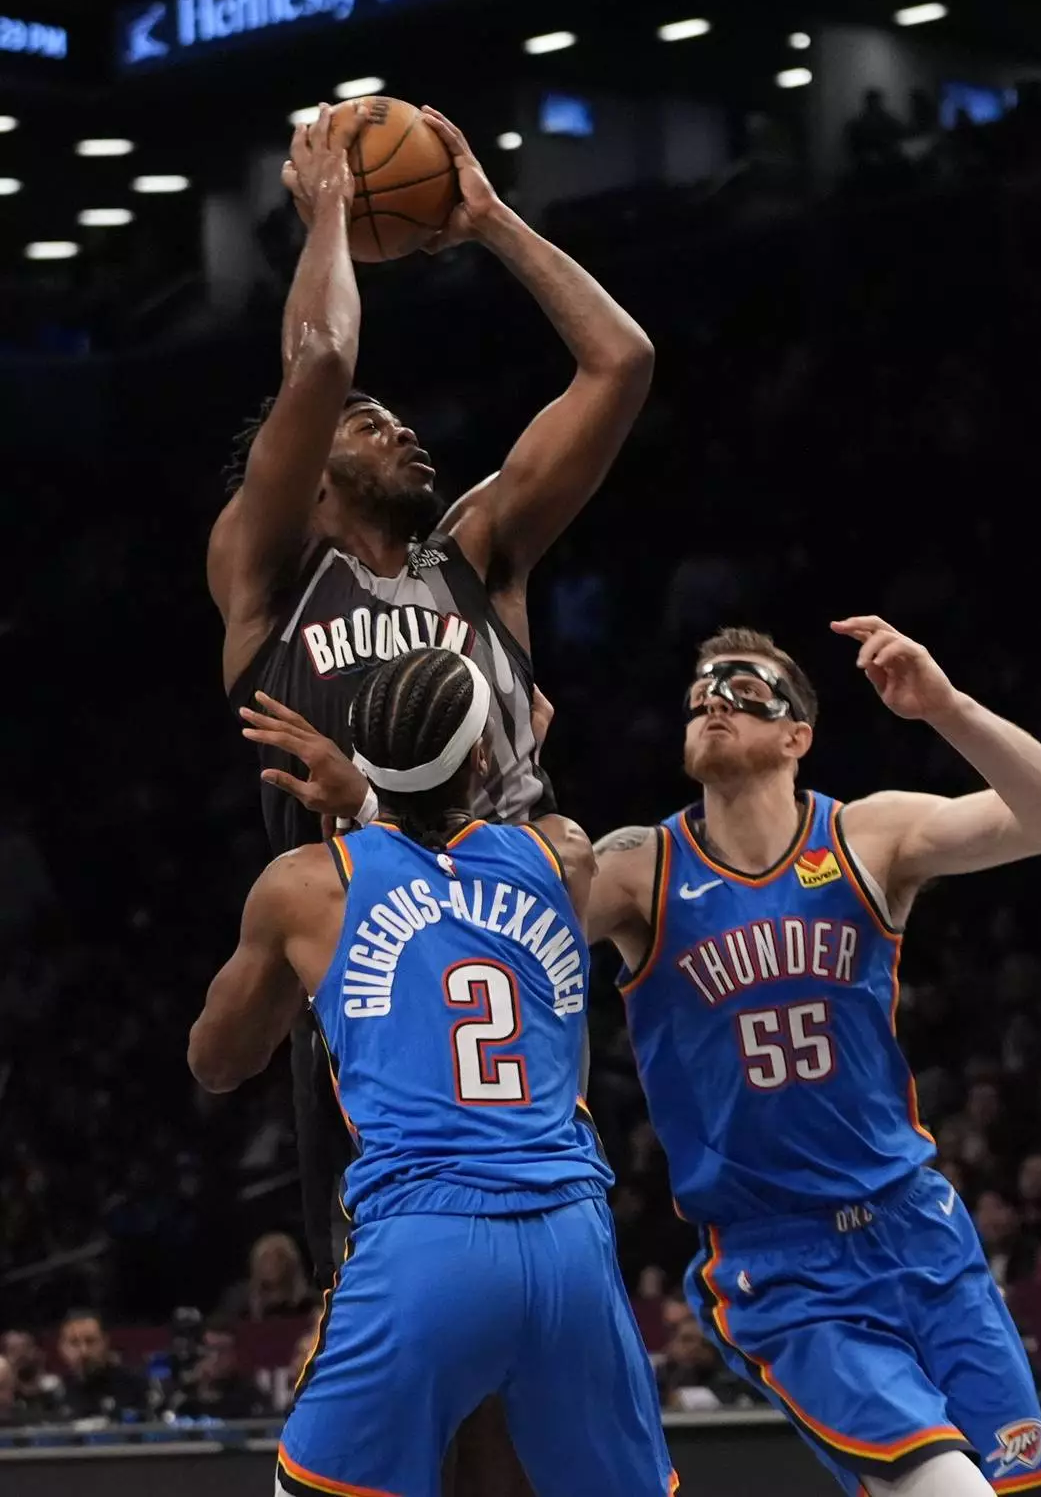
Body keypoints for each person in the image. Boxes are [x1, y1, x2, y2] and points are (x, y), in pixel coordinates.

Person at [207, 99, 652, 1490]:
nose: (398, 428)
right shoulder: (271, 574)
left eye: (398, 419)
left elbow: (621, 361)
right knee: (433, 1402)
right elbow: (324, 357)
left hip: (520, 966)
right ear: (304, 473)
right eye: (368, 425)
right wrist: (331, 209)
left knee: (528, 1387)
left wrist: (490, 221)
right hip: (372, 999)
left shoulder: (482, 555)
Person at [586, 618, 1041, 1496]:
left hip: (918, 1225)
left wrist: (947, 708)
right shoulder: (640, 866)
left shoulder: (867, 836)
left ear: (797, 736)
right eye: (701, 692)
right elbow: (493, 927)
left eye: (744, 691)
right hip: (782, 1262)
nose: (714, 701)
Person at [189, 648, 674, 1497]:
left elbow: (218, 1063)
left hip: (427, 1237)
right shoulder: (563, 854)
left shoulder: (307, 888)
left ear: (358, 752)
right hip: (570, 1239)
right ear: (482, 758)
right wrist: (417, 788)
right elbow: (470, 851)